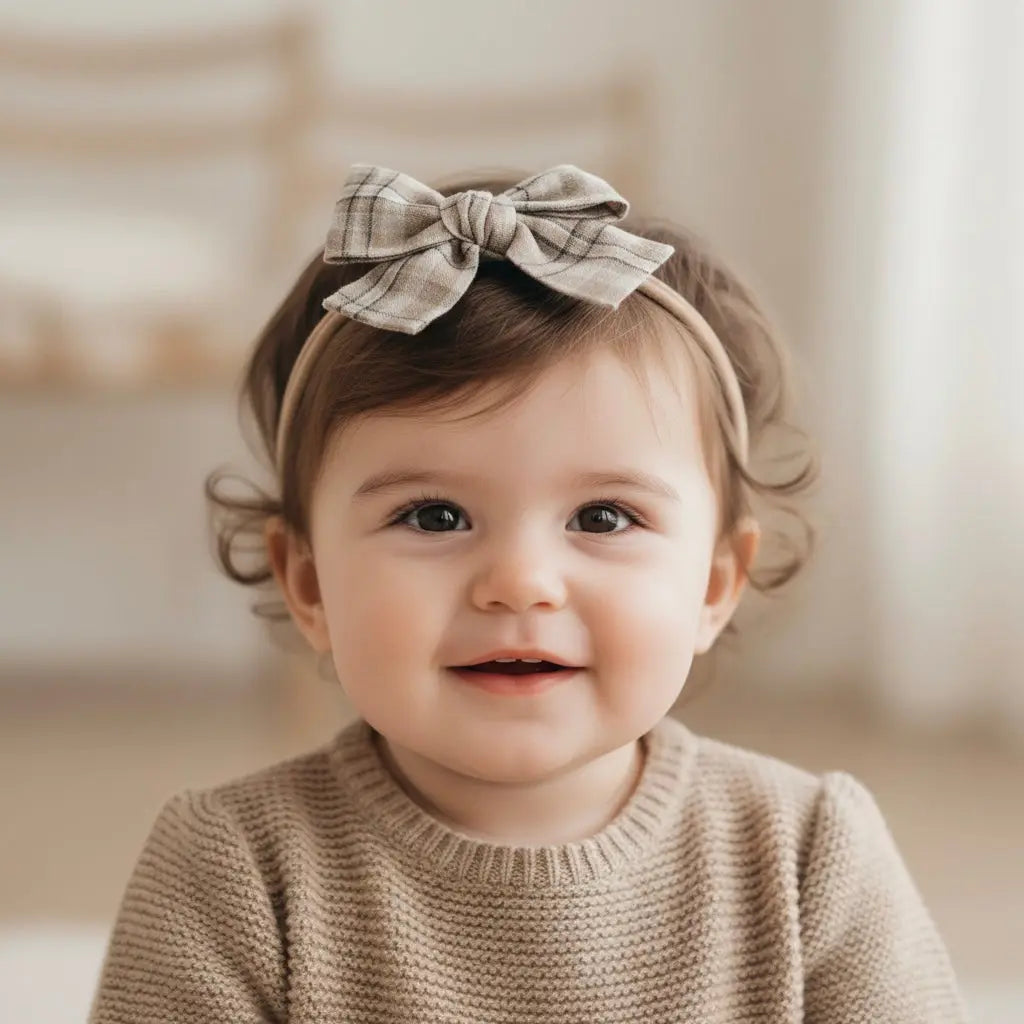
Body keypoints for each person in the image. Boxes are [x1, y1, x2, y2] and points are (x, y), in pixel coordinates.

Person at [88, 164, 968, 1022]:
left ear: (713, 583)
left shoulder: (808, 856)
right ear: (310, 584)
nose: (520, 583)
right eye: (433, 517)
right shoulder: (237, 871)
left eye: (604, 516)